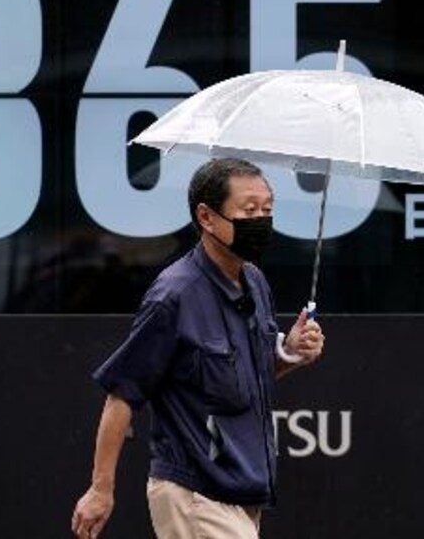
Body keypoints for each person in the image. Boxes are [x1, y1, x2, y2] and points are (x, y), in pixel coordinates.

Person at [71, 158, 325, 539]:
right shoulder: (174, 295)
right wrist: (100, 489)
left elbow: (250, 373)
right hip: (196, 494)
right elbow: (122, 394)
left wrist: (289, 352)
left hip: (243, 491)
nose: (261, 221)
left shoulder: (255, 282)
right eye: (249, 210)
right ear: (206, 217)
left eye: (267, 210)